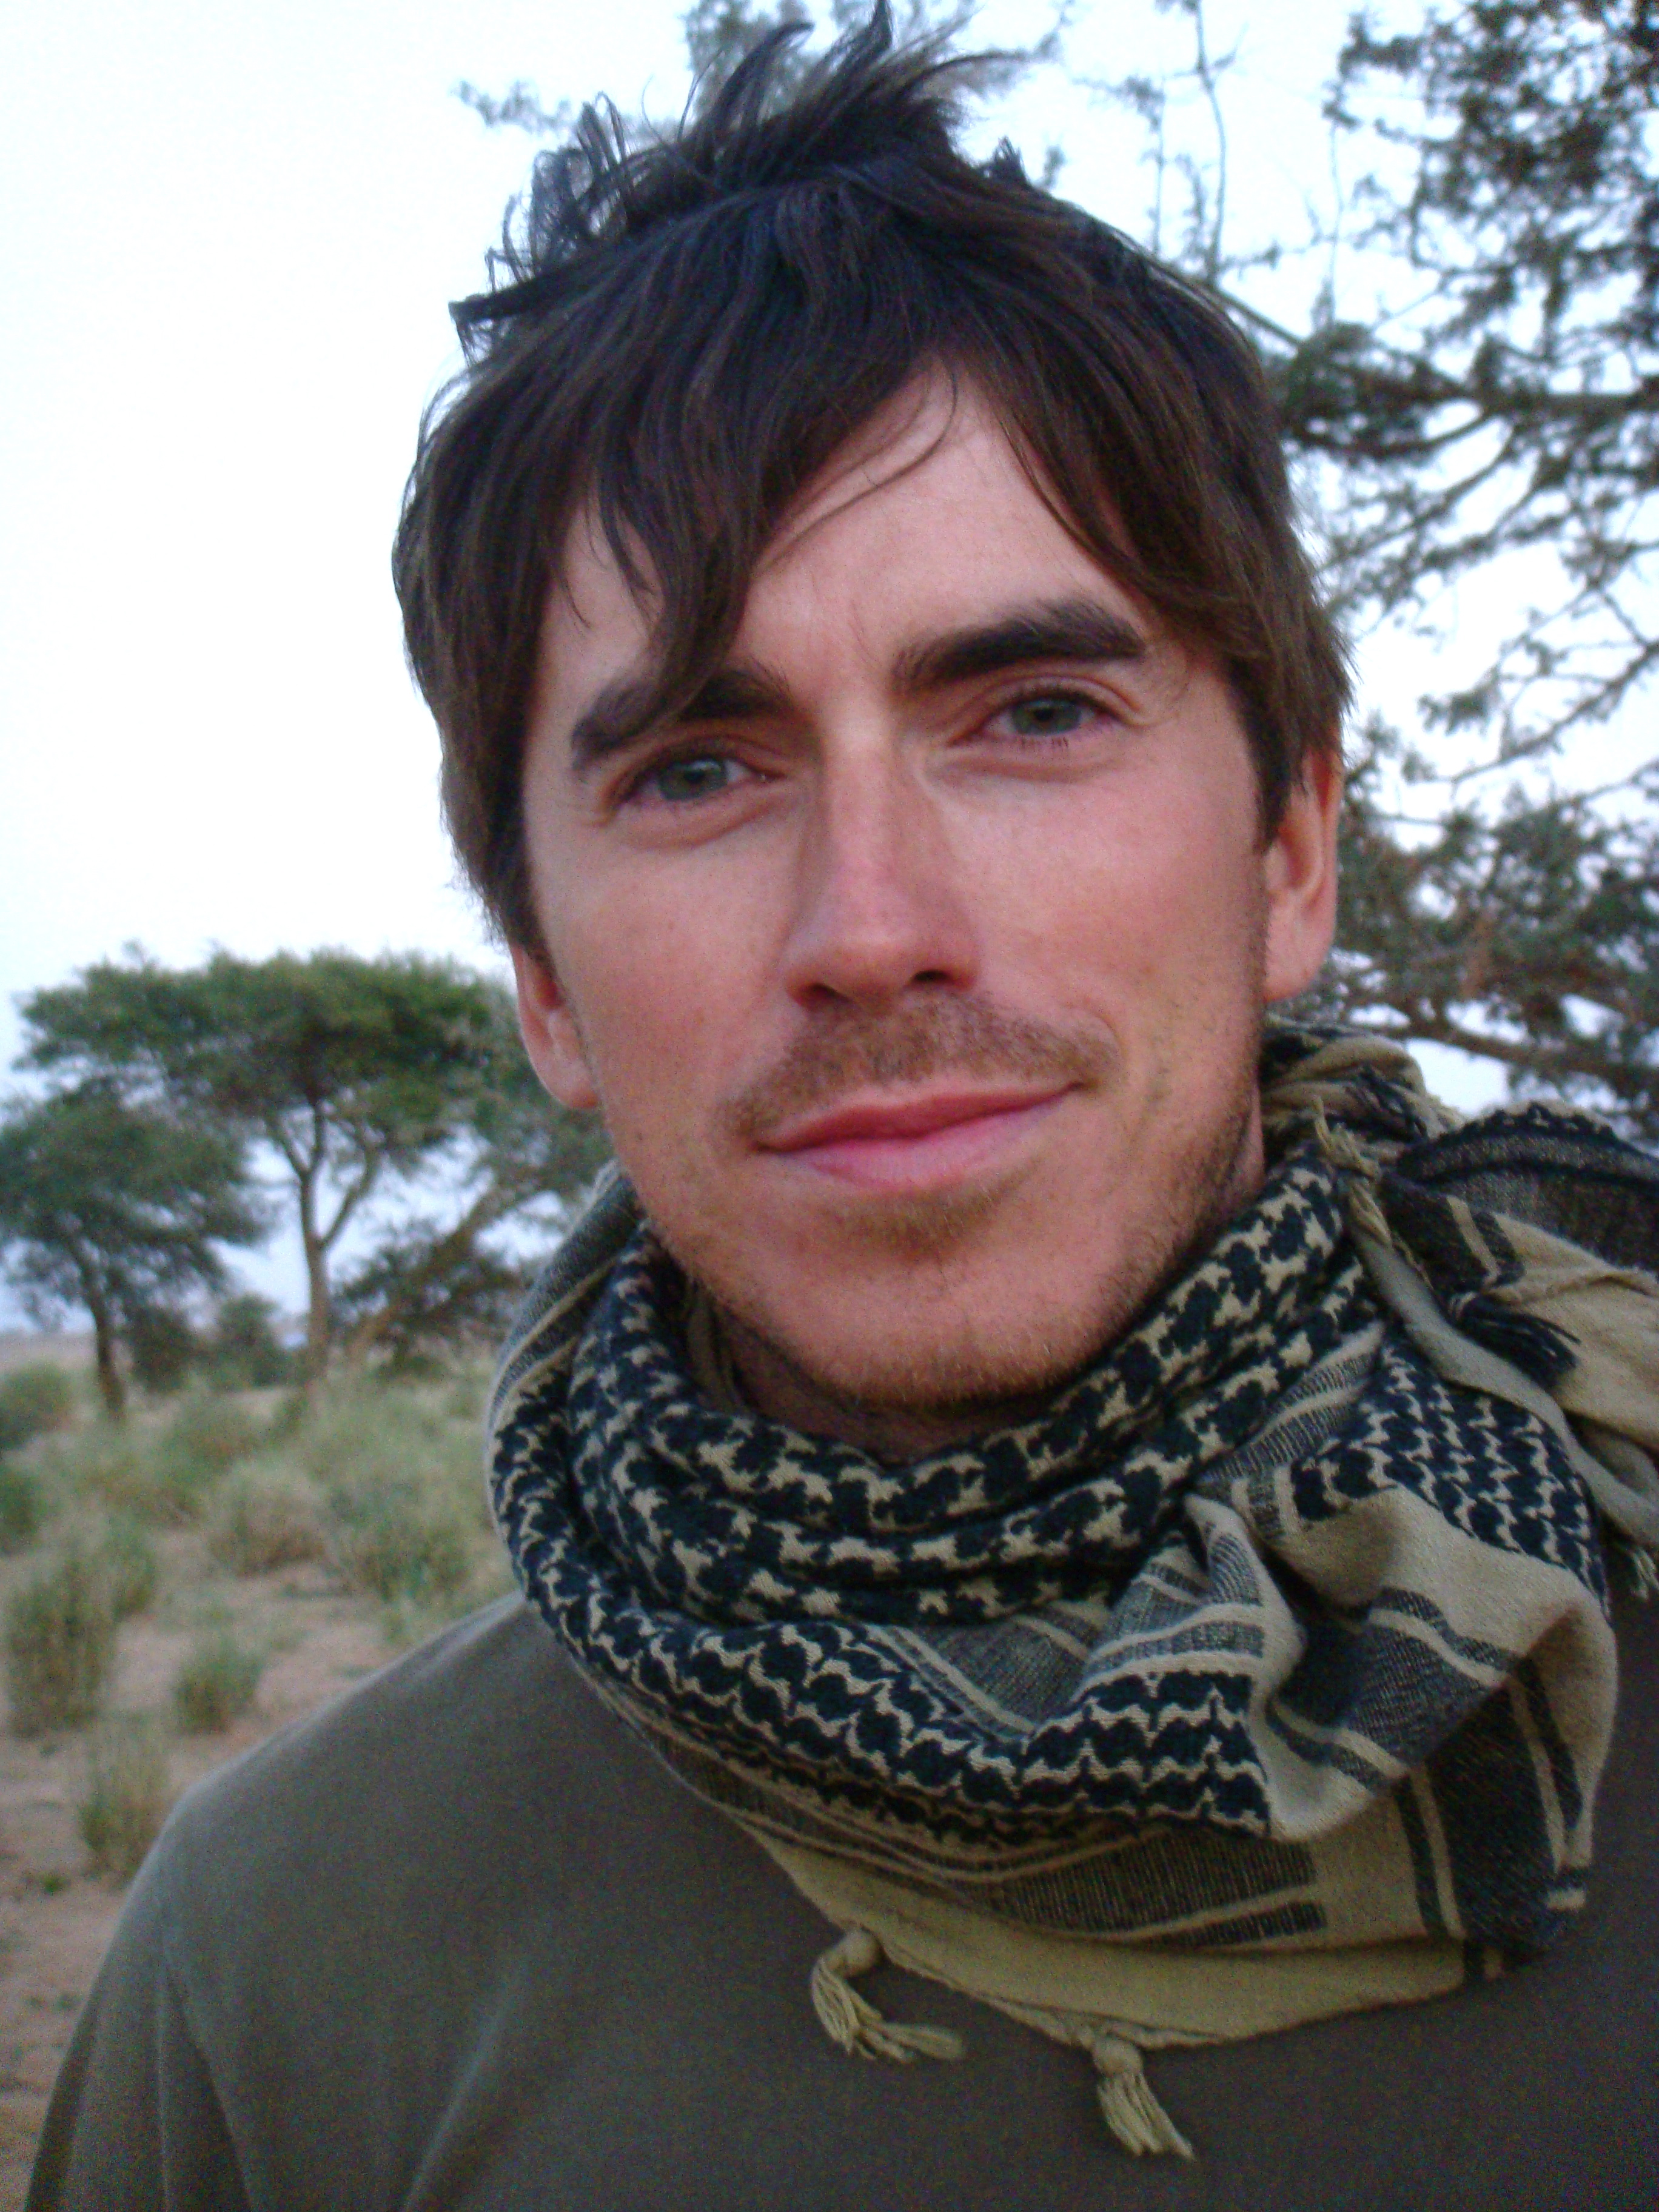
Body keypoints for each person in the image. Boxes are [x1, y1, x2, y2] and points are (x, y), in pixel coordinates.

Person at [29, 13, 1659, 2208]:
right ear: (544, 982)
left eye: (1036, 714)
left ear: (1289, 850)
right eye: (699, 770)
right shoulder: (286, 1971)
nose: (872, 929)